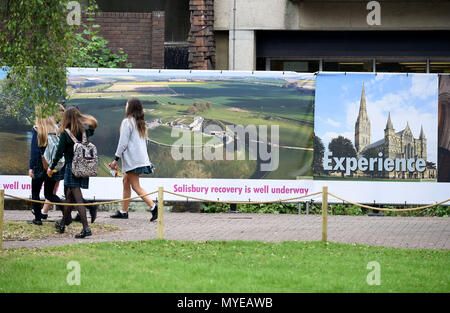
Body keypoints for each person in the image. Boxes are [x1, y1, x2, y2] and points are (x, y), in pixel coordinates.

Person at [48, 106, 98, 238]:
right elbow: (94, 124)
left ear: (66, 118)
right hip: (83, 169)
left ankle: (86, 228)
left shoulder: (65, 134)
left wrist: (51, 167)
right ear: (77, 117)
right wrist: (82, 118)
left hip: (72, 169)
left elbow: (58, 153)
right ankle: (63, 223)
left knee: (78, 199)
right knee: (70, 197)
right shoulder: (83, 131)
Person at [109, 97, 158, 221]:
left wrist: (115, 159)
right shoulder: (141, 123)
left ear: (130, 107)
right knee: (126, 182)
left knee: (136, 186)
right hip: (140, 159)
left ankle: (153, 206)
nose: (125, 106)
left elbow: (123, 143)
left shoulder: (127, 122)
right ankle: (124, 212)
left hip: (133, 161)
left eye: (127, 104)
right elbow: (144, 144)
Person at [28, 114, 65, 225]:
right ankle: (66, 214)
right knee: (49, 194)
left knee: (35, 193)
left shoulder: (37, 129)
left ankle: (38, 219)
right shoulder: (56, 130)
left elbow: (34, 152)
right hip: (51, 166)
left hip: (39, 165)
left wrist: (31, 167)